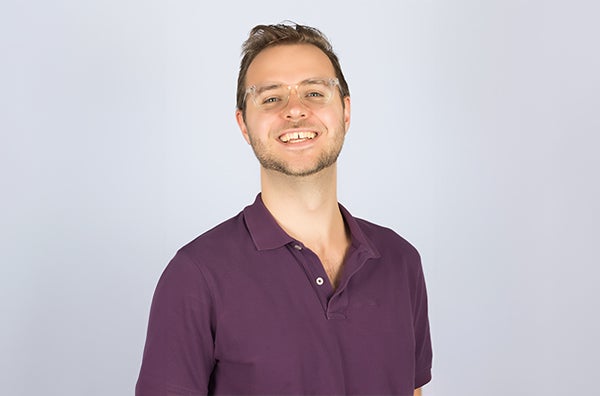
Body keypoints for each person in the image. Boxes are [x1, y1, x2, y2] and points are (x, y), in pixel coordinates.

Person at [136, 23, 432, 396]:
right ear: (244, 123)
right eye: (271, 98)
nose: (295, 110)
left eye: (314, 92)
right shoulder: (195, 276)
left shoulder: (400, 261)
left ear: (345, 111)